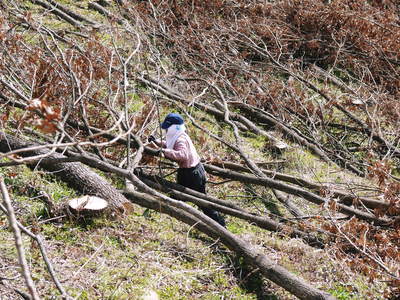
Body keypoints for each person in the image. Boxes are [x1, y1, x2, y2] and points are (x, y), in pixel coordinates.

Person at [148, 112, 226, 227]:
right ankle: (173, 216)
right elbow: (169, 144)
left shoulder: (181, 139)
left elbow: (182, 154)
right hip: (189, 172)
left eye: (168, 127)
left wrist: (164, 152)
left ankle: (220, 225)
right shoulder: (178, 136)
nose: (166, 130)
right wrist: (156, 142)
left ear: (174, 127)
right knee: (178, 196)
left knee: (200, 201)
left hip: (192, 174)